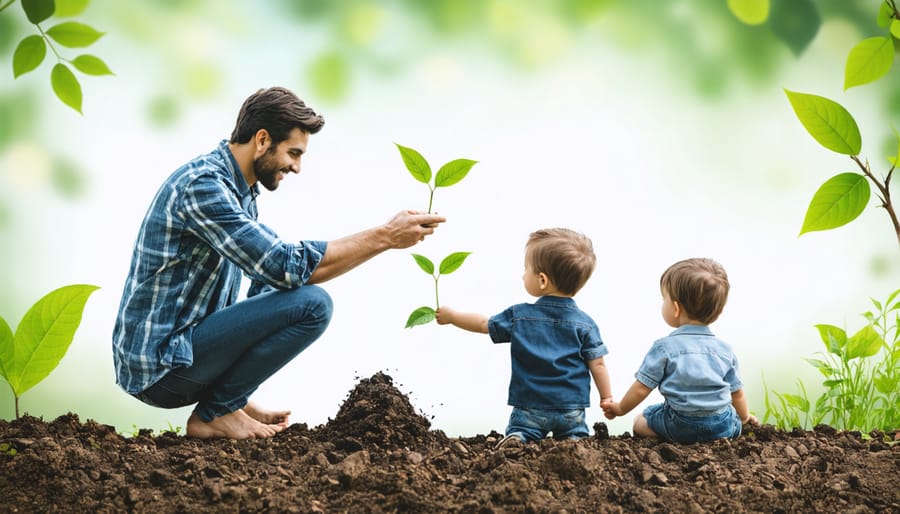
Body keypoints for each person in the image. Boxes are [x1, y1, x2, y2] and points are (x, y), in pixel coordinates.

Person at [112, 87, 445, 440]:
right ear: (261, 140)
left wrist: (386, 240)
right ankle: (216, 412)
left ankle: (227, 401)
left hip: (179, 354)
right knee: (313, 305)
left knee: (282, 284)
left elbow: (275, 276)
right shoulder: (204, 187)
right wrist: (385, 236)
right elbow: (282, 264)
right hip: (160, 366)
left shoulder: (238, 189)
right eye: (293, 153)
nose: (297, 168)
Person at [435, 228, 612, 443]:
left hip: (530, 406)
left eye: (526, 269)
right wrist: (606, 397)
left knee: (523, 432)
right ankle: (574, 440)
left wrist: (453, 316)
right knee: (574, 435)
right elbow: (598, 364)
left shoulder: (519, 316)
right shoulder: (586, 324)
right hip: (570, 408)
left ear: (542, 280)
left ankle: (519, 438)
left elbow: (484, 324)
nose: (522, 275)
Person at [601, 258, 758, 443]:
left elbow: (641, 389)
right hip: (720, 427)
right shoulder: (726, 350)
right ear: (719, 311)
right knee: (731, 414)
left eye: (663, 298)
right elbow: (737, 393)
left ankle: (676, 438)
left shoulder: (664, 348)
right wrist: (745, 418)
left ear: (675, 308)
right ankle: (722, 433)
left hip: (681, 425)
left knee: (641, 420)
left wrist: (620, 409)